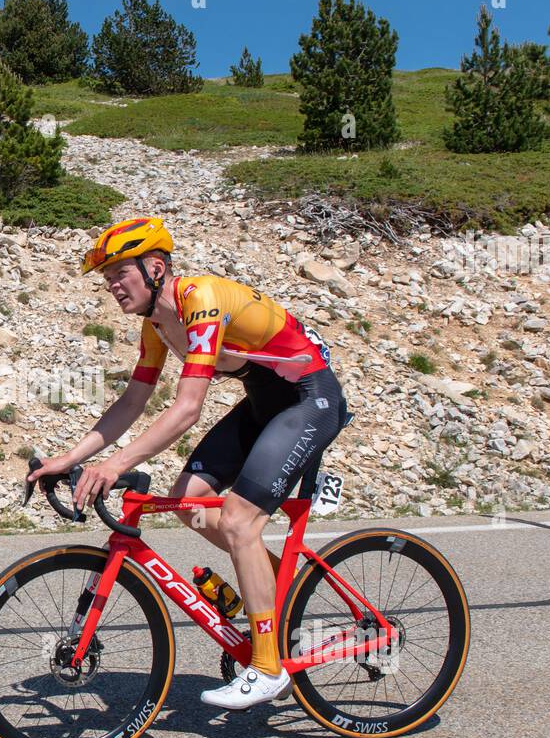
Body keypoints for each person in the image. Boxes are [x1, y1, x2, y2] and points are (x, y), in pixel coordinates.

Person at [27, 217, 349, 710]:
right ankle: (275, 597)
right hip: (265, 399)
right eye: (107, 277)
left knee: (240, 519)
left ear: (155, 267)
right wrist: (68, 458)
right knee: (190, 501)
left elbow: (186, 410)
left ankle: (267, 667)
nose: (113, 285)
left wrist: (114, 466)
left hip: (310, 398)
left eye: (120, 273)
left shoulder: (201, 300)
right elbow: (134, 402)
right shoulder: (155, 324)